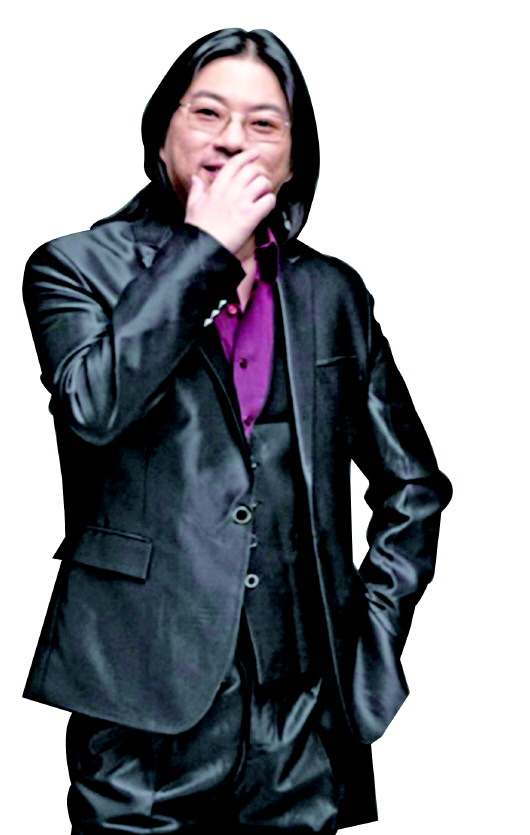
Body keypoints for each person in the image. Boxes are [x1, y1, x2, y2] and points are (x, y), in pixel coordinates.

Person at [23, 27, 452, 834]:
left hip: (302, 719)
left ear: (294, 159)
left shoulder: (332, 292)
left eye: (263, 123)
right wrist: (204, 250)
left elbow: (414, 486)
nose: (231, 138)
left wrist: (370, 629)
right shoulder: (74, 268)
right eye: (207, 113)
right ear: (161, 136)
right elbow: (94, 407)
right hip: (141, 708)